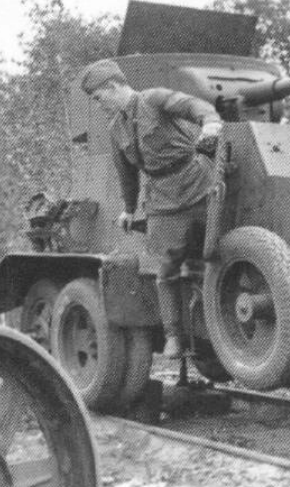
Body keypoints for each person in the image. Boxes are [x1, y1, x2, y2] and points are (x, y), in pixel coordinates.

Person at [81, 59, 223, 358]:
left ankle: (222, 329)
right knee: (164, 269)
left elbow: (194, 106)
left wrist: (210, 124)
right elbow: (126, 175)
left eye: (98, 97)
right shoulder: (115, 129)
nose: (98, 104)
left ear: (113, 86)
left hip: (197, 184)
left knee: (217, 254)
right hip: (161, 198)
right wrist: (129, 209)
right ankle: (174, 336)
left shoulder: (154, 99)